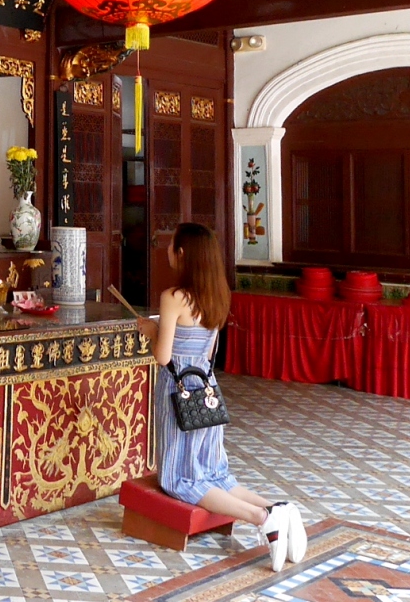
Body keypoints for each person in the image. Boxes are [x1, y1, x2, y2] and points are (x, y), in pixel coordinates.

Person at [135, 223, 306, 572]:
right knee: (213, 473)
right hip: (208, 392)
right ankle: (279, 509)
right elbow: (209, 351)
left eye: (172, 246)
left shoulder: (173, 297)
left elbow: (164, 357)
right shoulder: (218, 295)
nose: (168, 251)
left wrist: (153, 331)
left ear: (183, 254)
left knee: (180, 479)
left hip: (178, 395)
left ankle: (263, 518)